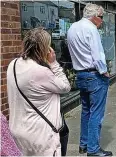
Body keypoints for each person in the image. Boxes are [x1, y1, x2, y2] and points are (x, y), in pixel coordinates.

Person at [6, 28, 71, 156]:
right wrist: (53, 63)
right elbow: (65, 87)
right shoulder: (41, 72)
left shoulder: (12, 65)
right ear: (44, 48)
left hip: (18, 130)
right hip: (41, 135)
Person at [67, 3, 113, 156]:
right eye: (101, 17)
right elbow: (97, 54)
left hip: (80, 73)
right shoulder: (91, 29)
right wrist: (104, 71)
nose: (102, 20)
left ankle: (84, 144)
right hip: (94, 74)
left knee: (86, 111)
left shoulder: (72, 27)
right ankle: (93, 149)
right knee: (96, 113)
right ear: (94, 17)